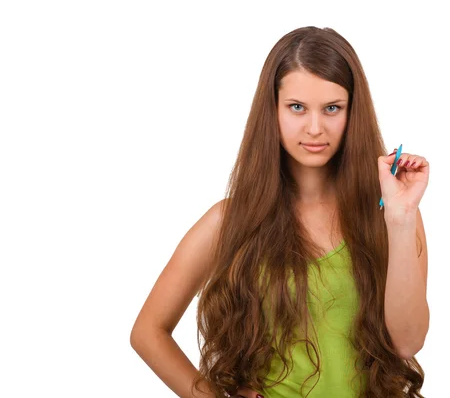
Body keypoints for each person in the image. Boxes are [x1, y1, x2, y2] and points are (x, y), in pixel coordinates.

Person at [130, 26, 430, 398]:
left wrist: (400, 221)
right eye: (297, 107)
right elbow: (148, 332)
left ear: (354, 113)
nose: (315, 128)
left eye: (332, 108)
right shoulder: (230, 221)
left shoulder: (393, 215)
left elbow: (407, 342)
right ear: (272, 109)